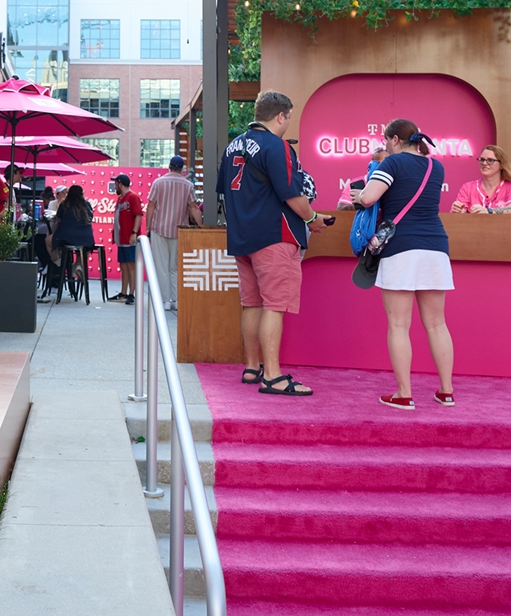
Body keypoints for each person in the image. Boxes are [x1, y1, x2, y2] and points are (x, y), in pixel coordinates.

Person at [219, 91, 333, 397]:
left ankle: (252, 367)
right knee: (274, 305)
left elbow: (223, 193)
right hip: (274, 235)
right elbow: (291, 193)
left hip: (242, 237)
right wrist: (312, 219)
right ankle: (272, 376)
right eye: (289, 118)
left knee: (251, 303)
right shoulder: (276, 145)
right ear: (281, 116)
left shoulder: (232, 146)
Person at [351, 118, 455, 410]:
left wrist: (357, 196)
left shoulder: (392, 164)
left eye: (386, 141)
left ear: (395, 140)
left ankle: (404, 393)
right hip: (436, 246)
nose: (385, 146)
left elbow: (369, 198)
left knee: (399, 324)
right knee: (437, 324)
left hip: (401, 248)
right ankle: (446, 391)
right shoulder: (437, 167)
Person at [145, 156, 202, 310]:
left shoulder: (158, 182)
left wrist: (148, 226)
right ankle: (176, 300)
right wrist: (202, 226)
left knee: (161, 265)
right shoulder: (188, 185)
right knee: (175, 267)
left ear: (169, 167)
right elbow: (194, 207)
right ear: (182, 168)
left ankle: (164, 301)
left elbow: (151, 205)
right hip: (179, 230)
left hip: (159, 228)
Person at [451, 145, 511, 215]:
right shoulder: (468, 187)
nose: (484, 163)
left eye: (490, 160)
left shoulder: (510, 187)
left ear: (502, 165)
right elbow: (461, 214)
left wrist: (488, 211)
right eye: (482, 159)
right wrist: (457, 210)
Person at [47, 184, 96, 272]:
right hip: (86, 238)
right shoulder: (87, 204)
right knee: (84, 247)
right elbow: (90, 219)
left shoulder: (64, 204)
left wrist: (54, 234)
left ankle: (58, 262)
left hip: (66, 237)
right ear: (81, 194)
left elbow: (58, 220)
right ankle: (78, 265)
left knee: (47, 241)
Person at [111, 174, 143, 304]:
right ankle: (123, 292)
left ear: (120, 184)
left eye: (115, 184)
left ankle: (131, 293)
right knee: (123, 265)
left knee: (131, 265)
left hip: (130, 238)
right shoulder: (120, 199)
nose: (114, 187)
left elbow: (138, 215)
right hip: (121, 238)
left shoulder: (133, 197)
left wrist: (134, 233)